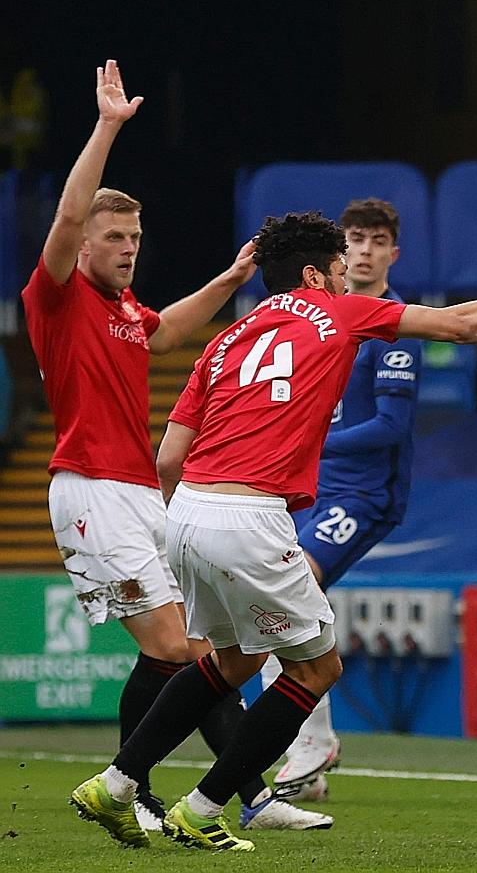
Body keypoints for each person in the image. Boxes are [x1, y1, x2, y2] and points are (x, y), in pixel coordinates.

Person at [68, 210, 477, 852]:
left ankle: (116, 783)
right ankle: (203, 807)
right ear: (314, 275)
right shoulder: (340, 312)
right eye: (338, 266)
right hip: (249, 517)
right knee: (316, 668)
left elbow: (169, 457)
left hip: (188, 512)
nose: (345, 276)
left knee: (233, 659)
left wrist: (194, 521)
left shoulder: (226, 341)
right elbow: (463, 324)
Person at [24, 60, 327, 832]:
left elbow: (165, 334)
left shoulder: (126, 309)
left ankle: (239, 799)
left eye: (134, 236)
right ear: (82, 244)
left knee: (199, 652)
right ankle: (134, 793)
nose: (128, 247)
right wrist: (107, 127)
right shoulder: (56, 296)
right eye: (114, 237)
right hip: (90, 488)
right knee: (171, 646)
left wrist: (232, 277)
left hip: (139, 490)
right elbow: (67, 218)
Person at [257, 198, 421, 801]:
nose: (365, 251)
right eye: (356, 239)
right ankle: (307, 759)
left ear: (393, 253)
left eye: (378, 241)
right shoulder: (324, 319)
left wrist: (311, 441)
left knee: (288, 587)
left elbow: (391, 427)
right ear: (340, 249)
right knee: (271, 599)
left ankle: (313, 742)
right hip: (312, 488)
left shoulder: (395, 325)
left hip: (365, 494)